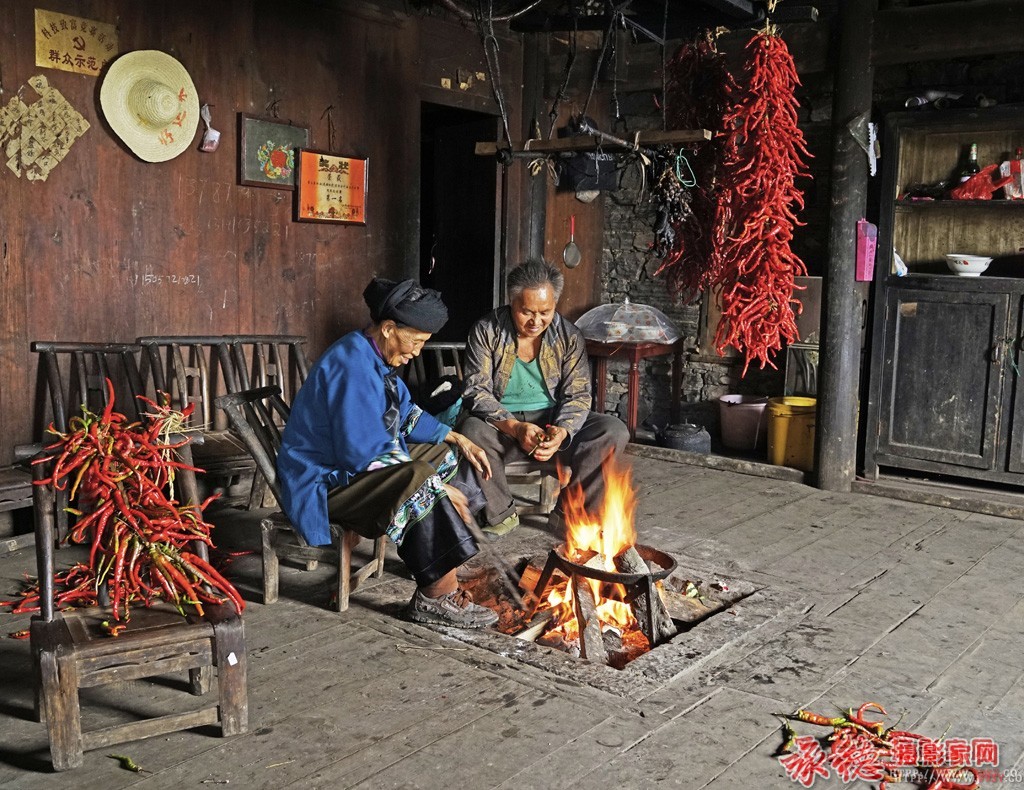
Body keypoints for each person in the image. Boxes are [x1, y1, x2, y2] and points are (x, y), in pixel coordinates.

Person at [276, 277, 498, 628]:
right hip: (324, 482)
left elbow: (406, 415)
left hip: (353, 468)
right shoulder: (351, 366)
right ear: (390, 328)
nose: (418, 351)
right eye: (417, 341)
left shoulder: (374, 358)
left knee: (446, 456)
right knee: (419, 476)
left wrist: (456, 437)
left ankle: (444, 557)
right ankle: (436, 596)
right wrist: (436, 487)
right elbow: (361, 453)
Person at [458, 258, 630, 537]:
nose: (536, 321)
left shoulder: (569, 336)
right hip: (504, 425)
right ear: (511, 302)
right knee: (471, 430)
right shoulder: (486, 330)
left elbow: (578, 394)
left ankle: (569, 514)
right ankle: (500, 514)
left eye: (545, 312)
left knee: (612, 431)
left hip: (552, 420)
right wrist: (514, 426)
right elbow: (476, 390)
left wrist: (561, 432)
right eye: (526, 311)